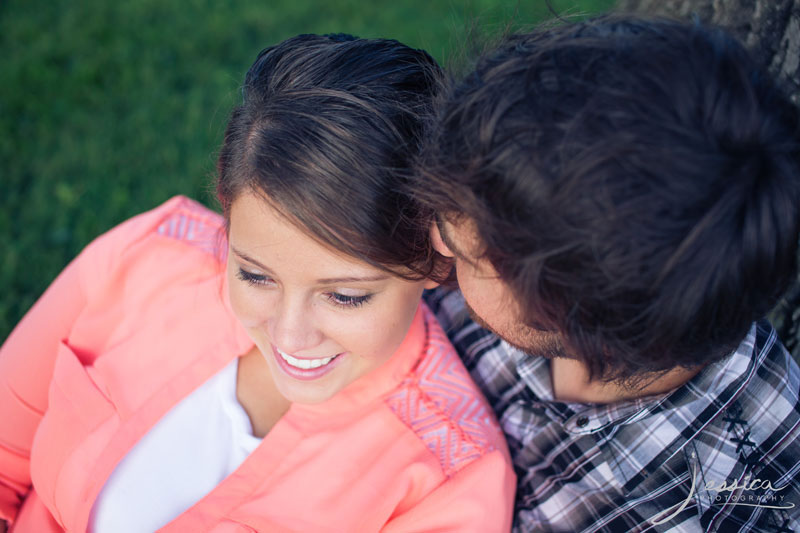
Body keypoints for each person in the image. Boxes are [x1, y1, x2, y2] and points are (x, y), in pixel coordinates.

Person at [0, 34, 515, 532]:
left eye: (344, 296)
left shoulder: (449, 483)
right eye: (254, 274)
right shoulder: (144, 256)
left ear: (435, 256)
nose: (290, 337)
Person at [415, 14, 800, 532]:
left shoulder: (696, 509)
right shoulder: (525, 239)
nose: (433, 242)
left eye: (467, 256)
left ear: (572, 321)